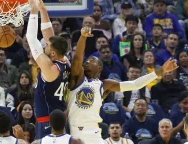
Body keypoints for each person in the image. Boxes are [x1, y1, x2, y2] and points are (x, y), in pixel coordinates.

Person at [66, 26, 178, 144]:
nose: (87, 62)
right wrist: (83, 37)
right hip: (75, 132)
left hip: (94, 132)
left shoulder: (104, 85)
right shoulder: (77, 79)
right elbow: (78, 57)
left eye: (91, 61)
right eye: (87, 61)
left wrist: (159, 72)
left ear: (99, 68)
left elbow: (135, 84)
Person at [26, 0, 70, 139]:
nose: (45, 44)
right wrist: (43, 10)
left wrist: (33, 12)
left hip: (48, 122)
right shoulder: (65, 61)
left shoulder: (50, 68)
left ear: (52, 53)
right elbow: (50, 37)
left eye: (47, 45)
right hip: (59, 118)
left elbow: (31, 38)